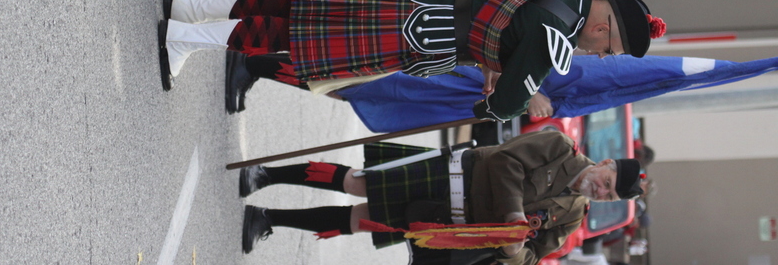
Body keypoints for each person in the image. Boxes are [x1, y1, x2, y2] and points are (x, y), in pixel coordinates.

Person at [157, 0, 664, 121]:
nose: (596, 55)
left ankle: (193, 8)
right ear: (602, 30)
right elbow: (505, 105)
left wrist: (494, 62)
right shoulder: (559, 39)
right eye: (606, 50)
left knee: (300, 10)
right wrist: (518, 98)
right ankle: (187, 38)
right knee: (302, 38)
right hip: (424, 32)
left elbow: (504, 11)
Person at [238, 130, 644, 265]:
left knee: (360, 221)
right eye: (607, 181)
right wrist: (513, 216)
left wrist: (513, 250)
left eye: (607, 195)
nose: (601, 189)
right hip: (451, 175)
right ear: (605, 163)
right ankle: (266, 174)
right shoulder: (559, 146)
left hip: (447, 223)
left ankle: (267, 218)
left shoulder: (571, 217)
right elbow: (506, 163)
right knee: (357, 183)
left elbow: (534, 256)